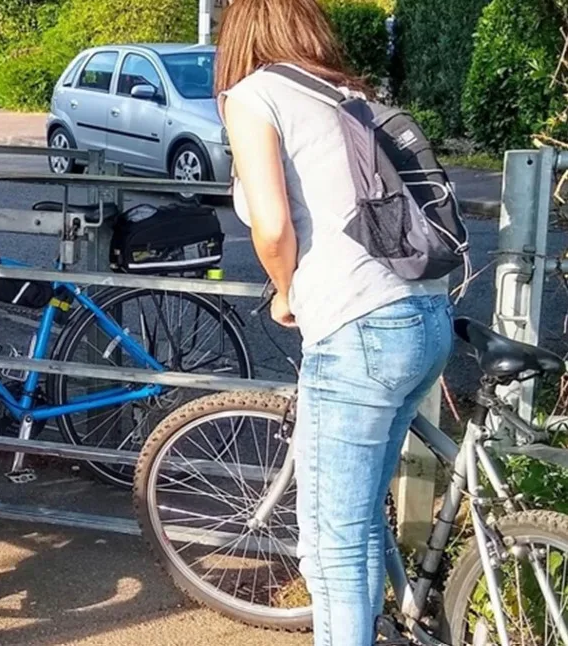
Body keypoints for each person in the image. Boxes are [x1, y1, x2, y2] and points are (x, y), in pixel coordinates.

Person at [214, 1, 453, 645]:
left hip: (358, 327)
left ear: (238, 36)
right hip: (425, 312)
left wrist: (286, 292)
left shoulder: (253, 94)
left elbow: (271, 227)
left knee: (331, 546)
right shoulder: (346, 92)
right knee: (362, 522)